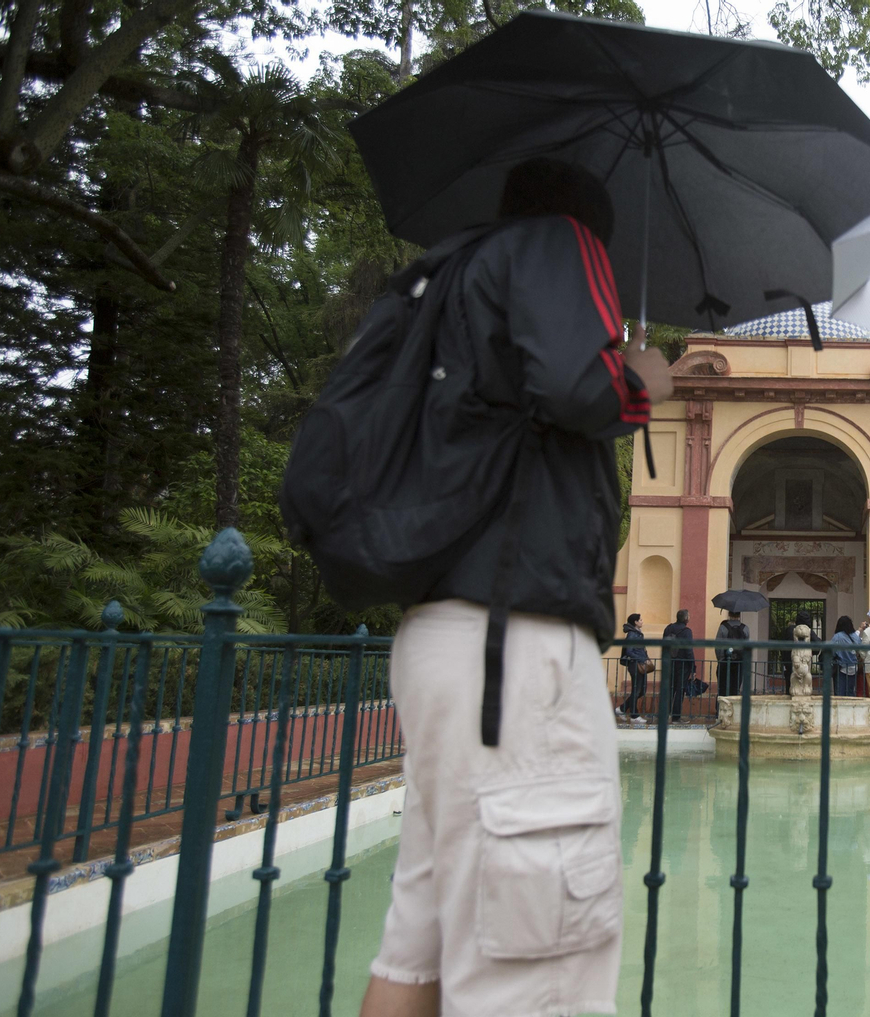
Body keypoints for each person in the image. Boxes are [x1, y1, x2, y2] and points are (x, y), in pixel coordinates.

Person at [363, 159, 674, 1017]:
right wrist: (643, 375)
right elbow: (582, 387)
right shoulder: (552, 242)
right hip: (516, 651)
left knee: (416, 952)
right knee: (542, 983)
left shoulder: (442, 282)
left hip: (439, 639)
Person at [661, 609, 695, 721]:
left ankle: (664, 715)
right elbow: (689, 650)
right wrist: (693, 667)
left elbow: (664, 646)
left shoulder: (668, 628)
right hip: (682, 664)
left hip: (670, 663)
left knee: (669, 689)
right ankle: (676, 717)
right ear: (686, 618)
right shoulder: (687, 631)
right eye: (689, 616)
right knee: (680, 690)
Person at [618, 614, 651, 721]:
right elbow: (629, 651)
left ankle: (622, 709)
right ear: (635, 622)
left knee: (641, 691)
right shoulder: (632, 634)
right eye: (640, 620)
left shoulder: (638, 634)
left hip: (641, 664)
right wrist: (641, 658)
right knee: (637, 690)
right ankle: (634, 715)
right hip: (635, 664)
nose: (642, 621)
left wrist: (645, 657)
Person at [715, 610, 751, 696]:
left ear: (729, 614)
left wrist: (720, 659)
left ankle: (721, 708)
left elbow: (717, 646)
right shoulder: (745, 628)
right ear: (739, 614)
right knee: (735, 688)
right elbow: (747, 646)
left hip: (725, 662)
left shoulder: (723, 627)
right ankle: (733, 708)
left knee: (722, 688)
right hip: (739, 662)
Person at [829, 616, 860, 696]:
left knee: (840, 692)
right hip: (853, 667)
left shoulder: (838, 636)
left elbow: (831, 651)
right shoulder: (854, 636)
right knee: (850, 691)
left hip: (841, 667)